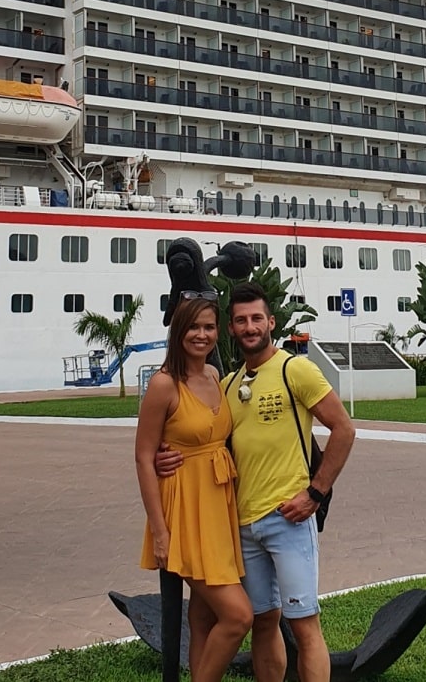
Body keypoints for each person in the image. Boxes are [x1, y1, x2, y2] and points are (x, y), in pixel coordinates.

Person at [156, 282, 355, 682]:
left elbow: (344, 429)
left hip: (288, 518)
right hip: (241, 527)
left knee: (305, 625)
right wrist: (166, 453)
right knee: (263, 622)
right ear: (231, 328)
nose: (250, 327)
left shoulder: (294, 369)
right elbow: (202, 433)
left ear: (271, 322)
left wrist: (315, 493)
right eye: (241, 320)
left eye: (256, 319)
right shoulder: (228, 385)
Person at [136, 296, 252, 682]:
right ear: (178, 331)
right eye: (193, 327)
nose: (201, 335)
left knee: (203, 616)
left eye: (209, 327)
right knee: (238, 616)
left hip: (218, 506)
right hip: (184, 512)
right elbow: (143, 458)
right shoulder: (164, 384)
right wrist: (160, 533)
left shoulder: (215, 376)